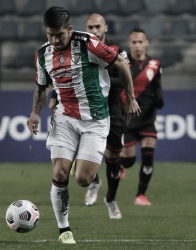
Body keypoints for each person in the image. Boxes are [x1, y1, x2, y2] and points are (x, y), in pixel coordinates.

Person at [27, 7, 140, 244]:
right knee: (59, 173)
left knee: (83, 179)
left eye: (59, 34)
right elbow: (41, 87)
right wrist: (35, 112)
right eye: (50, 35)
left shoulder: (88, 43)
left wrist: (130, 98)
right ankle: (64, 230)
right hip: (64, 119)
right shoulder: (43, 54)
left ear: (69, 29)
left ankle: (83, 162)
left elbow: (121, 63)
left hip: (95, 120)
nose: (55, 40)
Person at [84, 13, 130, 219]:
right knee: (79, 154)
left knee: (112, 156)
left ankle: (110, 199)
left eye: (97, 27)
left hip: (112, 110)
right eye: (90, 27)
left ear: (106, 28)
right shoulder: (79, 50)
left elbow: (125, 77)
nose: (94, 31)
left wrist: (102, 78)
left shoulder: (118, 51)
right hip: (86, 110)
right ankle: (94, 182)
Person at [120, 28, 164, 206]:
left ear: (146, 43)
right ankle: (122, 165)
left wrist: (159, 98)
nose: (137, 45)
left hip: (147, 118)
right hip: (128, 120)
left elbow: (157, 87)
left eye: (140, 42)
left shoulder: (155, 64)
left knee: (148, 156)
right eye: (134, 42)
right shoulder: (122, 63)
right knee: (129, 161)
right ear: (129, 44)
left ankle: (140, 195)